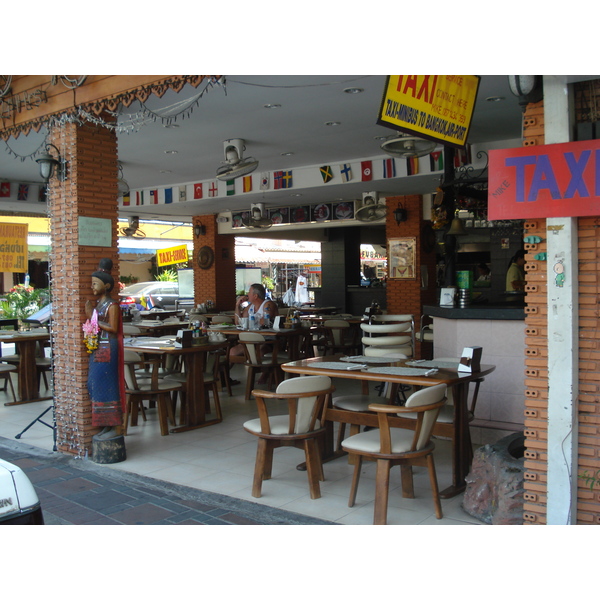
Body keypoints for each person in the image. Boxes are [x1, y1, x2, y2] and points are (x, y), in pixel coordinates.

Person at [84, 259, 126, 440]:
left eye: (95, 284)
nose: (92, 287)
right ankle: (103, 422)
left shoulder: (112, 305)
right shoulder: (100, 304)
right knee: (94, 385)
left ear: (106, 286)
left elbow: (113, 328)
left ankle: (113, 425)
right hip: (97, 347)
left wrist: (93, 319)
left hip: (108, 348)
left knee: (107, 385)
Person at [230, 283, 279, 360]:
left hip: (267, 340)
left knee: (259, 353)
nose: (247, 294)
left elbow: (264, 322)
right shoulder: (250, 307)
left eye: (249, 292)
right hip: (251, 339)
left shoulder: (268, 304)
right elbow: (239, 322)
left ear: (255, 296)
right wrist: (237, 306)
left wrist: (249, 321)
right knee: (233, 352)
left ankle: (259, 371)